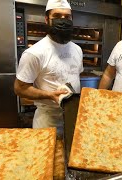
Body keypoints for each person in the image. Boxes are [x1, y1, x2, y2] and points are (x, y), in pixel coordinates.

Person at [14, 0, 83, 136]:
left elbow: (75, 77)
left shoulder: (77, 50)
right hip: (47, 121)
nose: (63, 21)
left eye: (67, 17)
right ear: (47, 19)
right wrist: (50, 95)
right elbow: (19, 88)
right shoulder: (35, 53)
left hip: (73, 118)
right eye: (57, 16)